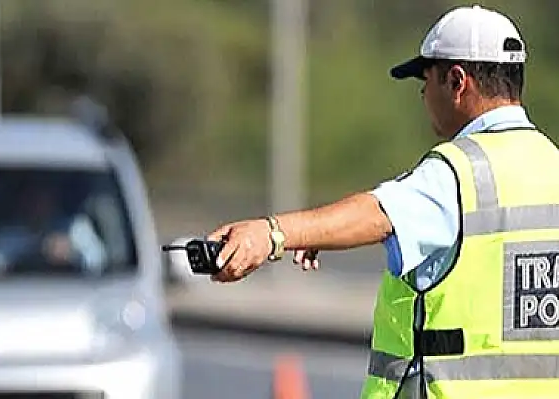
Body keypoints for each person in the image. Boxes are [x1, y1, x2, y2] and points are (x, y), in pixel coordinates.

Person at [206, 5, 559, 398]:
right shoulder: (552, 166)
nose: (423, 94)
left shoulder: (458, 173)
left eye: (426, 81)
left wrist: (271, 233)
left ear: (458, 81)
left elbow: (378, 213)